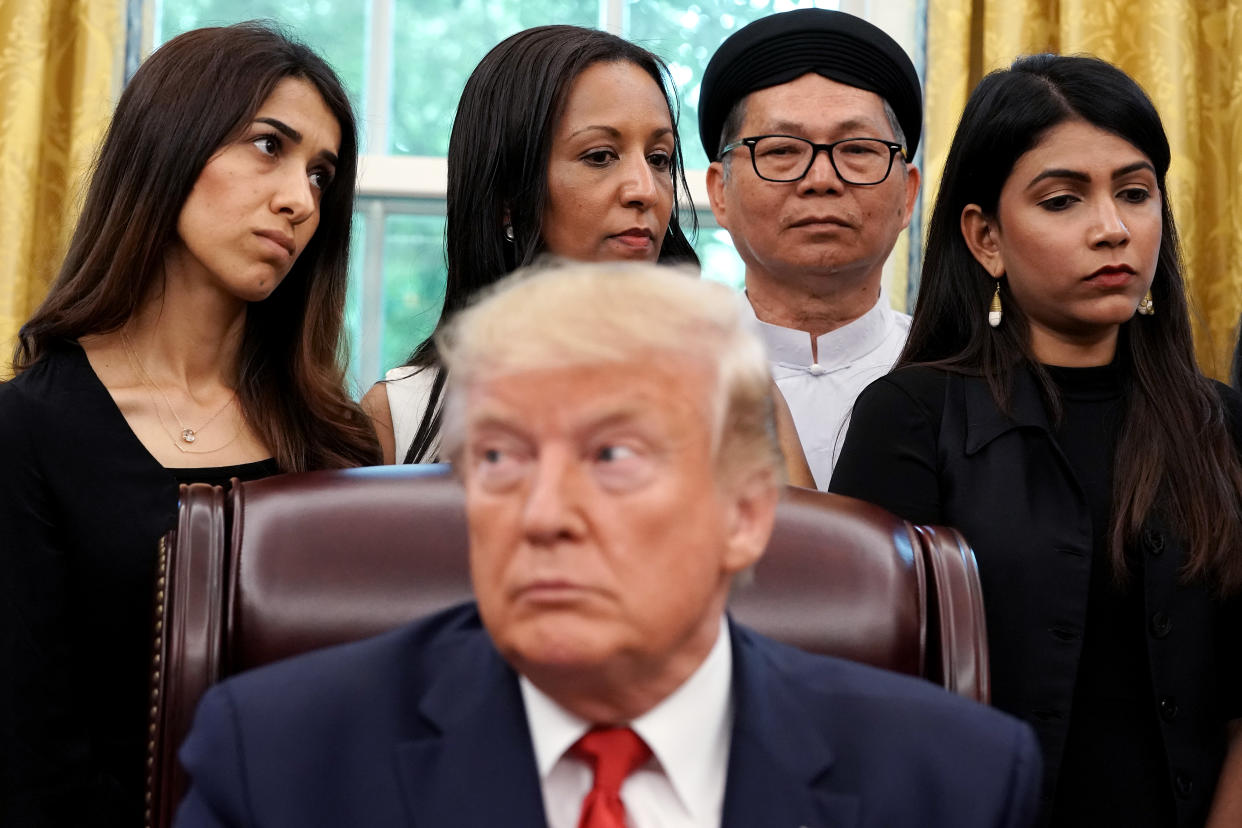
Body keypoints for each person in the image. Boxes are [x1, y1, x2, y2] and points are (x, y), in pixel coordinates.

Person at [175, 262, 1042, 828]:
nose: (544, 513)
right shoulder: (280, 763)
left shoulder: (948, 785)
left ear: (744, 515)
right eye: (501, 458)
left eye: (612, 456)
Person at [829, 55, 1242, 828]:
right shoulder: (911, 416)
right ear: (985, 237)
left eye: (1134, 192)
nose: (1112, 228)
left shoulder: (1220, 424)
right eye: (1062, 200)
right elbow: (861, 706)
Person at [0, 23, 380, 827]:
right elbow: (30, 761)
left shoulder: (337, 442)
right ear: (169, 142)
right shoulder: (24, 432)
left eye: (322, 174)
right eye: (268, 145)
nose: (300, 198)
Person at [361, 25, 814, 487]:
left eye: (659, 158)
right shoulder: (397, 416)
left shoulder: (741, 398)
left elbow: (814, 556)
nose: (645, 190)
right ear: (507, 200)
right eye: (600, 156)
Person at [699, 8, 922, 489]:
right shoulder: (667, 375)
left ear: (907, 194)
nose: (821, 180)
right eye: (781, 150)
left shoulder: (960, 375)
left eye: (857, 149)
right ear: (720, 192)